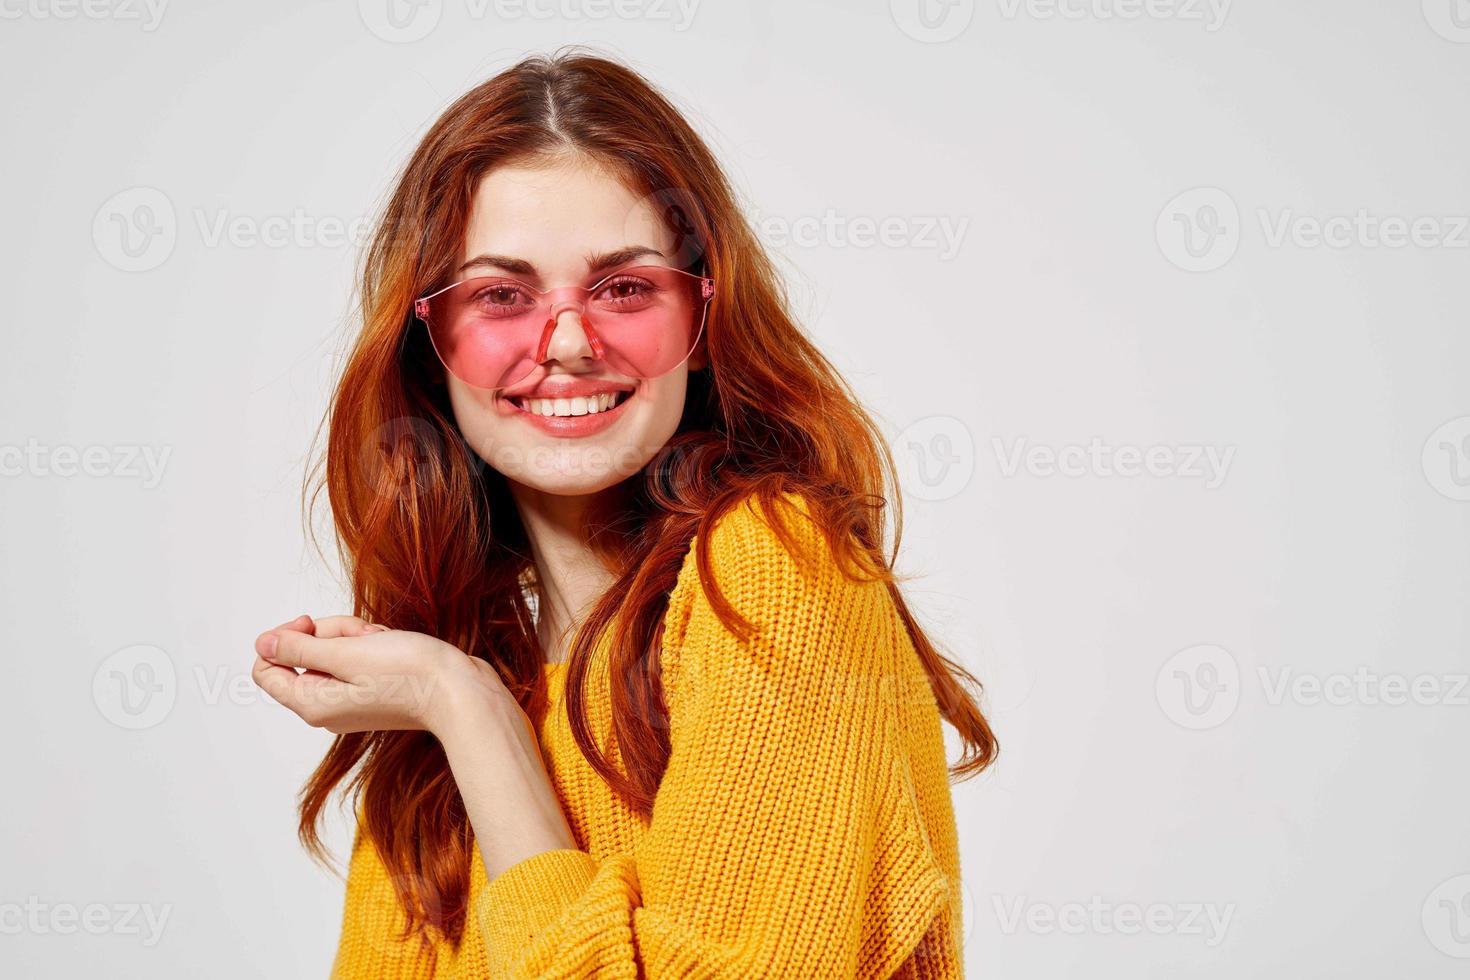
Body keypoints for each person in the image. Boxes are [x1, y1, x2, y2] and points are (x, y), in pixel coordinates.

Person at [251, 46, 996, 979]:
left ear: (701, 322)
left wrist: (469, 713)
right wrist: (460, 702)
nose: (566, 342)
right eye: (501, 296)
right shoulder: (456, 680)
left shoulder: (773, 571)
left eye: (625, 288)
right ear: (429, 343)